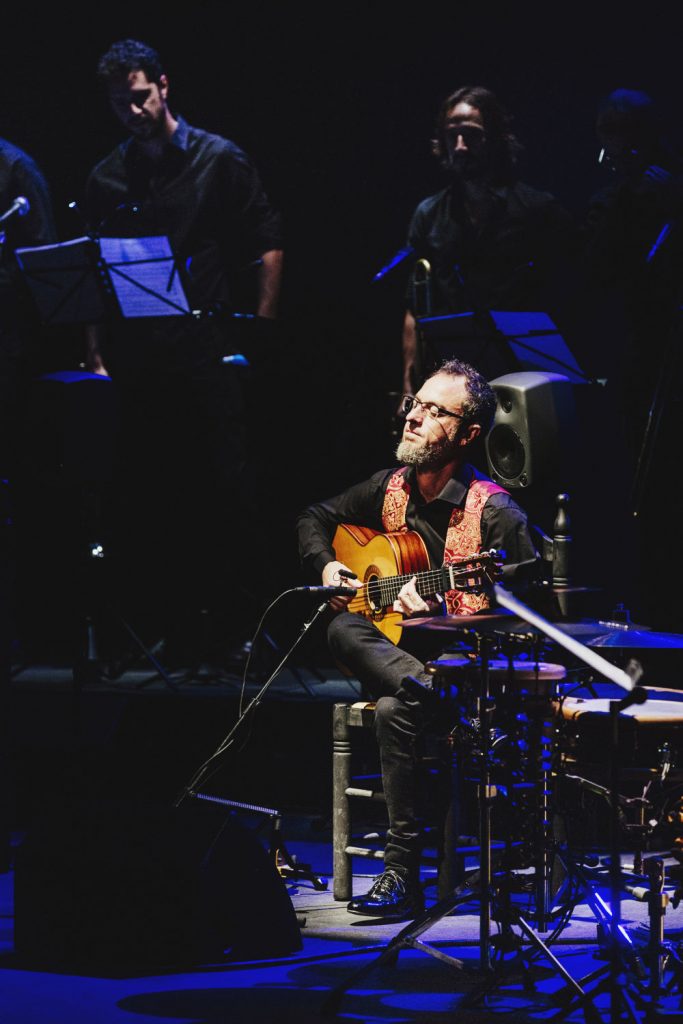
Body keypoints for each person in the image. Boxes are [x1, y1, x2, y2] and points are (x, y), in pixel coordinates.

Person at [297, 358, 539, 920]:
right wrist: (329, 567)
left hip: (469, 667)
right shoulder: (389, 488)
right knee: (342, 624)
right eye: (416, 404)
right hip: (403, 662)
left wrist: (441, 613)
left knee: (390, 711)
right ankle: (428, 690)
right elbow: (314, 516)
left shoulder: (496, 512)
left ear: (467, 435)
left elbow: (532, 621)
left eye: (435, 412)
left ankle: (401, 872)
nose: (414, 418)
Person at [82, 39, 284, 666]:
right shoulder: (107, 176)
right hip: (142, 359)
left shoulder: (217, 159)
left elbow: (267, 241)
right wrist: (94, 354)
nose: (132, 112)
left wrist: (259, 331)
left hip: (208, 351)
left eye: (139, 97)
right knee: (151, 496)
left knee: (222, 494)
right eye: (120, 103)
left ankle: (236, 631)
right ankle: (168, 631)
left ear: (163, 86)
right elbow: (90, 272)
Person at [401, 85, 575, 396]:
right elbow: (414, 309)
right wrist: (408, 383)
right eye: (451, 135)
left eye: (471, 135)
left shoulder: (538, 210)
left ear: (494, 138)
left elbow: (572, 294)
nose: (460, 146)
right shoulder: (428, 214)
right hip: (452, 378)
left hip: (526, 376)